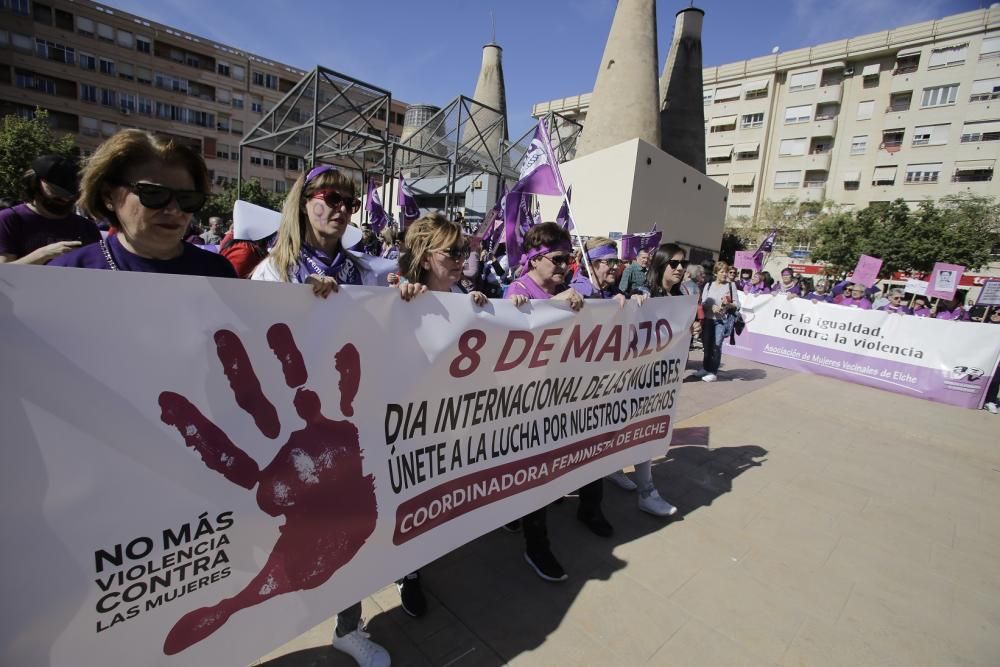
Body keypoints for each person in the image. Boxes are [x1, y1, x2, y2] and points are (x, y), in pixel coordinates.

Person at [250, 164, 400, 667]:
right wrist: (298, 307)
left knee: (351, 523)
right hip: (293, 427)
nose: (340, 209)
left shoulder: (368, 269)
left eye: (348, 203)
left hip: (352, 419)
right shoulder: (273, 269)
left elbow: (392, 326)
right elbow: (253, 335)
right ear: (305, 199)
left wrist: (410, 299)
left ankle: (347, 626)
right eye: (331, 197)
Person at [505, 222, 584, 583]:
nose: (565, 265)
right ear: (535, 258)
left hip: (555, 398)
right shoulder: (517, 290)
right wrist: (549, 306)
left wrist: (616, 304)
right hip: (520, 402)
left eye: (569, 258)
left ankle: (513, 515)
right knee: (530, 472)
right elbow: (507, 337)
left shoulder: (568, 289)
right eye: (558, 258)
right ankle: (536, 546)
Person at [48, 131, 234, 277]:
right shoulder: (68, 272)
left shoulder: (218, 272)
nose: (174, 210)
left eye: (187, 198)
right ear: (108, 195)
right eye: (154, 194)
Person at [606, 242, 691, 517]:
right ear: (661, 265)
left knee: (645, 429)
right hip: (633, 378)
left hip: (659, 379)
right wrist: (632, 303)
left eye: (683, 264)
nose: (680, 269)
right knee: (635, 429)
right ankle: (646, 491)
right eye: (674, 263)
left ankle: (624, 475)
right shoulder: (646, 293)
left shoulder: (681, 297)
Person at [0, 155, 101, 264]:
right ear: (36, 183)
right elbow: (4, 274)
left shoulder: (87, 227)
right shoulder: (9, 220)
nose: (65, 199)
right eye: (56, 192)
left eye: (71, 194)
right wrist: (44, 254)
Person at [699, 261, 741, 382]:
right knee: (706, 345)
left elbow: (737, 304)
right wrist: (711, 307)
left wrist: (728, 305)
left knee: (716, 346)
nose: (725, 274)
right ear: (715, 273)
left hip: (721, 321)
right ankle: (705, 368)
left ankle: (713, 371)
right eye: (722, 272)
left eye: (726, 272)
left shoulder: (730, 286)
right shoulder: (709, 285)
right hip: (708, 319)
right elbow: (703, 302)